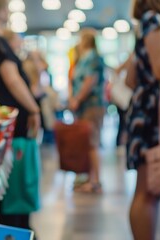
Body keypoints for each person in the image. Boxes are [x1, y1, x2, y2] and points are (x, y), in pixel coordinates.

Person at [0, 0, 41, 231]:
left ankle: (20, 229)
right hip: (10, 131)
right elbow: (13, 80)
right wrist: (34, 108)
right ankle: (14, 232)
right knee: (13, 190)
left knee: (16, 187)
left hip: (14, 129)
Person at [126, 0, 160, 239]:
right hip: (149, 113)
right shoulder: (153, 21)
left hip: (145, 110)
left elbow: (132, 76)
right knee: (147, 189)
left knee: (147, 189)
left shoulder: (146, 21)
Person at [68, 28, 105, 193]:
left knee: (92, 143)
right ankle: (90, 178)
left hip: (92, 105)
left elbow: (90, 81)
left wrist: (77, 99)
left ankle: (95, 180)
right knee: (88, 142)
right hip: (85, 106)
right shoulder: (84, 59)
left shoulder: (92, 58)